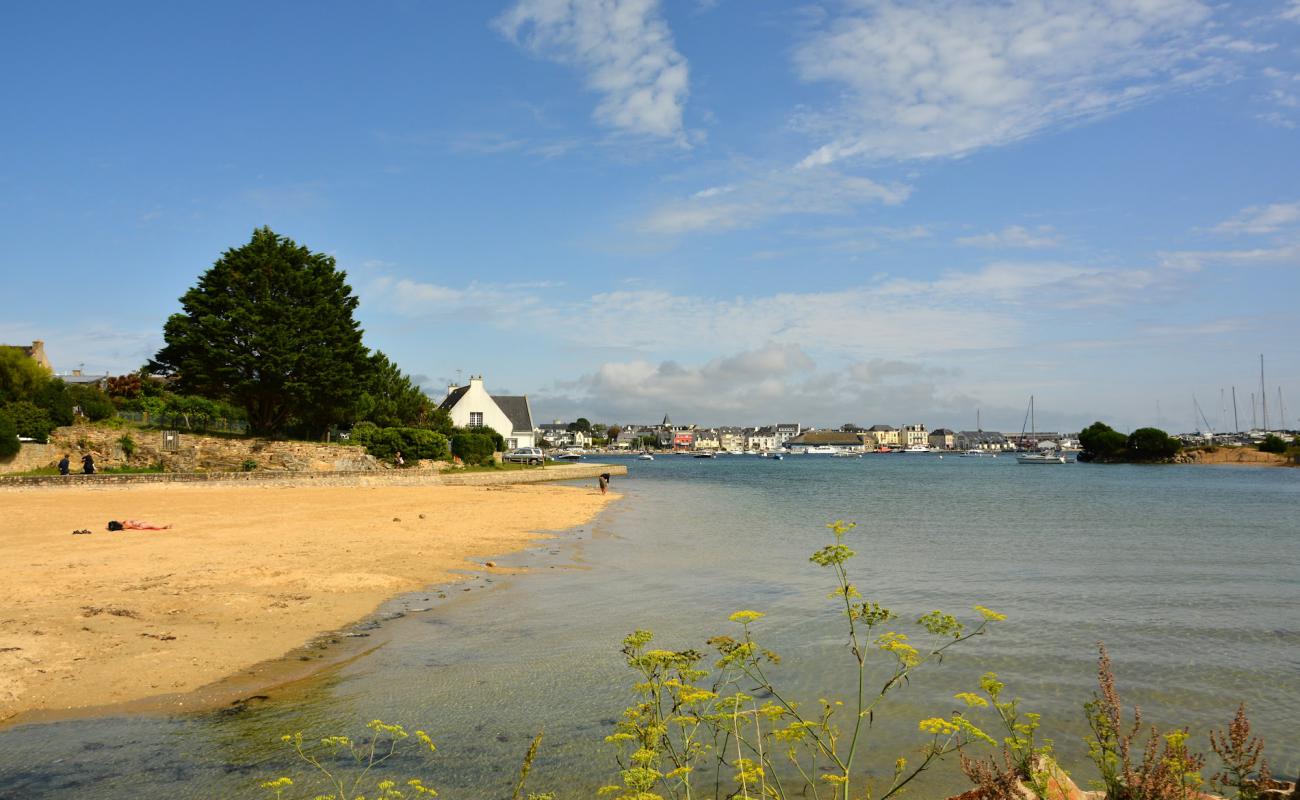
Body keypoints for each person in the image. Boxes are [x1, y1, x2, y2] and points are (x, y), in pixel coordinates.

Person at [107, 519, 172, 531]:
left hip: (139, 524)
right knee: (152, 526)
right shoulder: (126, 524)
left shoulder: (124, 524)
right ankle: (163, 527)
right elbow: (132, 526)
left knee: (152, 526)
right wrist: (138, 528)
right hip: (140, 524)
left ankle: (163, 527)